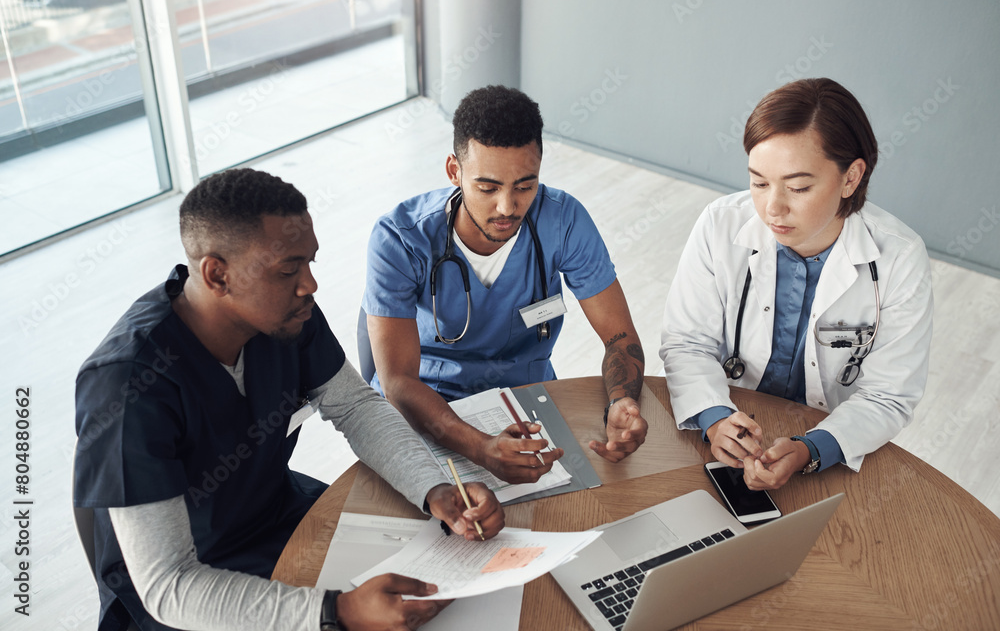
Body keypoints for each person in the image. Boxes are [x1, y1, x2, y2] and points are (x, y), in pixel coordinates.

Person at [73, 169, 505, 631]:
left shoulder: (285, 313)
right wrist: (333, 613)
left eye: (309, 263)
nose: (309, 285)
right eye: (287, 269)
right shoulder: (127, 384)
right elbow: (169, 583)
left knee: (457, 578)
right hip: (187, 591)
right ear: (217, 275)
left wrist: (434, 488)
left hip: (277, 515)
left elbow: (355, 406)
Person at [364, 85, 647, 485]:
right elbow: (397, 381)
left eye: (525, 186)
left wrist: (622, 402)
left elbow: (620, 337)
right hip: (426, 406)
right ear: (454, 171)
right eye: (487, 187)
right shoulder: (400, 238)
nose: (507, 207)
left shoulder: (562, 220)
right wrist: (481, 448)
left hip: (524, 401)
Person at [660, 78, 933, 490]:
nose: (772, 208)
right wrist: (715, 418)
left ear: (851, 177)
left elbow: (889, 395)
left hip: (832, 443)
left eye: (799, 187)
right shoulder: (720, 223)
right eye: (758, 182)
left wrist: (812, 448)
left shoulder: (899, 257)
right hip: (728, 421)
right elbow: (686, 342)